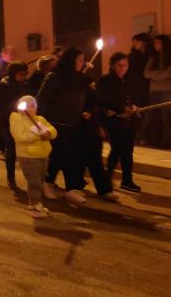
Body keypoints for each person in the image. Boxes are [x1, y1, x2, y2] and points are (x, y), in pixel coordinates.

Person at [37, 47, 123, 203]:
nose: (82, 63)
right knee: (58, 156)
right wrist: (39, 123)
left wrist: (121, 107)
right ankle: (47, 183)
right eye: (80, 60)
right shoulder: (54, 77)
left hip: (73, 124)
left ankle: (71, 189)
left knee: (72, 157)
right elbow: (42, 100)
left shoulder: (80, 81)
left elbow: (97, 98)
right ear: (71, 61)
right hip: (55, 125)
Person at [97, 52, 143, 192]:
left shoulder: (132, 79)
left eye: (125, 65)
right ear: (112, 66)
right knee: (117, 149)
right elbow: (102, 100)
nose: (123, 68)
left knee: (128, 151)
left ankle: (127, 180)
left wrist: (135, 106)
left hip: (130, 121)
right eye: (119, 65)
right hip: (114, 122)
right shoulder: (105, 81)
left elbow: (137, 97)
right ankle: (107, 178)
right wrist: (115, 111)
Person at [10, 95, 57, 216]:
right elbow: (20, 137)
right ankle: (37, 206)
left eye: (33, 105)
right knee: (34, 182)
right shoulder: (16, 119)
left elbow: (52, 130)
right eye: (27, 105)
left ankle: (32, 202)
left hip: (43, 154)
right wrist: (37, 134)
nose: (31, 108)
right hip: (28, 156)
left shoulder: (40, 119)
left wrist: (48, 133)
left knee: (40, 180)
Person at [0, 61, 29, 187]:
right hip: (7, 121)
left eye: (25, 74)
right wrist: (10, 111)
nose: (24, 76)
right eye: (21, 74)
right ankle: (11, 177)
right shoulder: (3, 85)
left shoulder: (24, 84)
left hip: (23, 119)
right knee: (12, 148)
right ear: (13, 74)